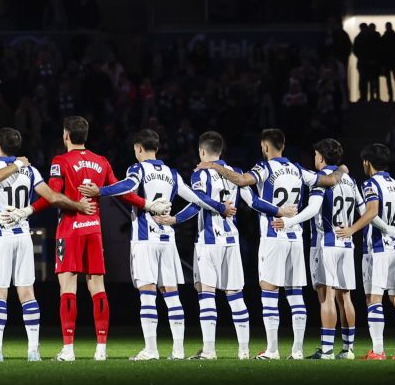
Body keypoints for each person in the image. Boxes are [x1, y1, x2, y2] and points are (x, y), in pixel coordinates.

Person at [198, 127, 340, 360]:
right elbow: (327, 180)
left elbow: (244, 182)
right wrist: (342, 169)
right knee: (295, 295)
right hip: (295, 237)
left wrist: (214, 166)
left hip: (273, 237)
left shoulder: (264, 167)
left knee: (269, 291)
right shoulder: (297, 168)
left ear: (265, 146)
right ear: (283, 145)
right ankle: (297, 351)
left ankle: (272, 349)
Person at [83, 129, 225, 360]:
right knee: (172, 295)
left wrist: (101, 190)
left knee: (147, 294)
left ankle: (151, 350)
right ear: (156, 148)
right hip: (167, 240)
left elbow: (126, 186)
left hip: (145, 239)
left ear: (138, 148)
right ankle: (178, 351)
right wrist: (220, 207)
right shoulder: (172, 173)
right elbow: (196, 198)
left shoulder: (137, 169)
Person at [19, 114, 133, 360]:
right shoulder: (101, 161)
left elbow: (53, 195)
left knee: (68, 289)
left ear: (66, 135)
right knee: (98, 288)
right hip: (94, 229)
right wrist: (148, 205)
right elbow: (122, 189)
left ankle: (68, 349)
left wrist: (28, 210)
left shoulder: (60, 161)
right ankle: (101, 349)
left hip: (70, 229)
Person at [0, 127, 51, 361]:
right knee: (27, 293)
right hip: (23, 236)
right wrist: (29, 210)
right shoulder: (30, 169)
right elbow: (49, 196)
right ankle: (33, 350)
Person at [186, 131, 256, 359]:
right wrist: (281, 213)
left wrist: (175, 219)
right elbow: (253, 202)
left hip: (208, 241)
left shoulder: (199, 174)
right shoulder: (235, 173)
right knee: (235, 294)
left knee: (206, 293)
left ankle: (209, 350)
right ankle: (244, 351)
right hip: (231, 241)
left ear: (202, 151)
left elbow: (198, 201)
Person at [343, 143, 395, 359]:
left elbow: (372, 211)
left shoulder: (370, 184)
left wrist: (352, 229)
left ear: (367, 162)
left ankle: (378, 350)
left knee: (374, 299)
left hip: (377, 250)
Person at [297, 138, 361, 360]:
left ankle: (326, 350)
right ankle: (348, 349)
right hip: (347, 245)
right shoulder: (350, 180)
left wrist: (290, 221)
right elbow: (364, 209)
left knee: (327, 297)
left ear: (321, 157)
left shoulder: (322, 181)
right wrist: (352, 229)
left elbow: (313, 209)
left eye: (315, 155)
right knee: (346, 297)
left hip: (326, 244)